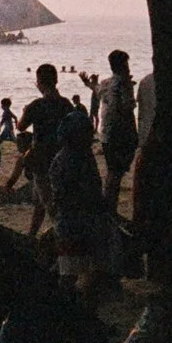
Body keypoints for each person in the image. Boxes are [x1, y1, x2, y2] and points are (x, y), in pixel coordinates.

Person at [46, 108, 114, 304]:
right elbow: (87, 192)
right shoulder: (78, 160)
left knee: (72, 271)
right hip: (78, 222)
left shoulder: (65, 158)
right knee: (80, 272)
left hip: (71, 222)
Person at [7, 64, 74, 241]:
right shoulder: (66, 104)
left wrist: (24, 111)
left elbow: (21, 127)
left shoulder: (36, 105)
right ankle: (32, 235)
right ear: (56, 80)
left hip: (41, 158)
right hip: (60, 156)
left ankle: (64, 240)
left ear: (39, 83)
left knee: (49, 202)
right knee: (40, 201)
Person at [96, 51, 140, 218]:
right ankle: (109, 210)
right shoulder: (123, 84)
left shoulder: (105, 83)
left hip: (106, 134)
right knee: (116, 173)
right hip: (121, 133)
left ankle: (109, 208)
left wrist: (88, 83)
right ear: (123, 66)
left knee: (112, 172)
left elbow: (98, 91)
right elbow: (127, 108)